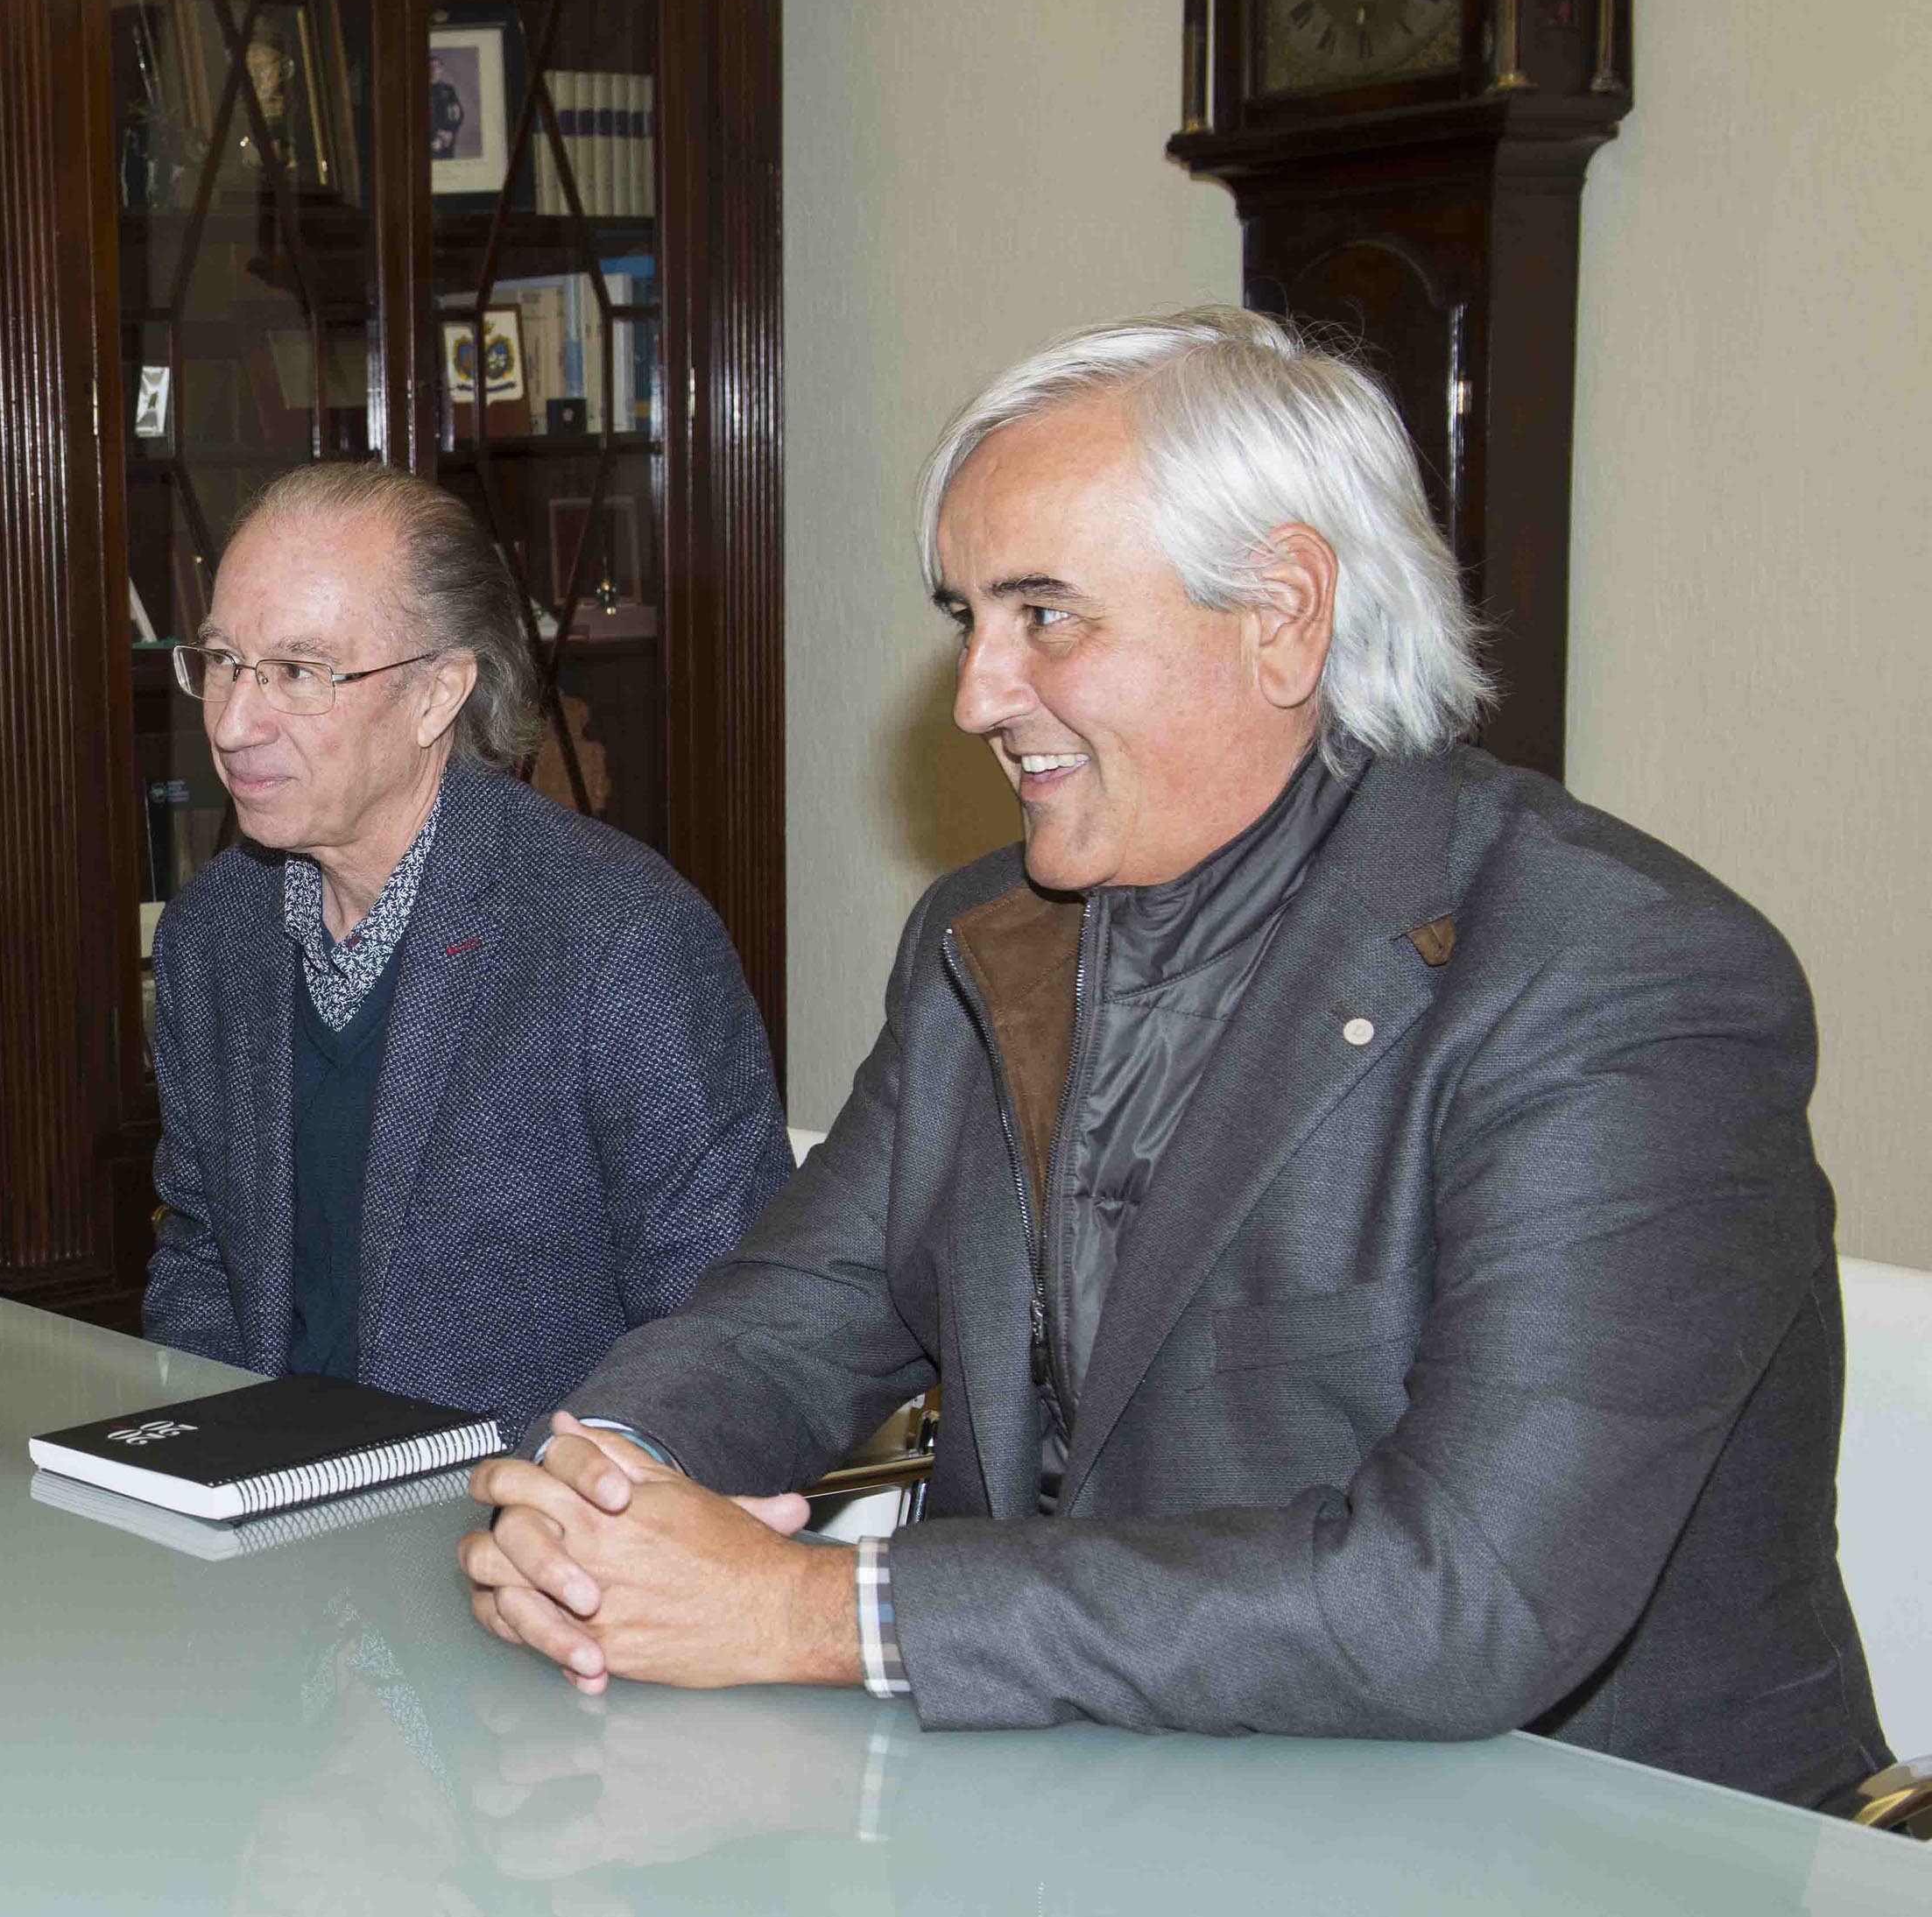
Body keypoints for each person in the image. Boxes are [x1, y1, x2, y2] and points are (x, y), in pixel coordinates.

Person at [460, 307, 1886, 1809]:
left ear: (1281, 615)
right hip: (1101, 1834)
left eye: (1045, 617)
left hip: (1580, 1899)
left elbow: (1461, 1600)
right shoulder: (984, 937)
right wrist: (604, 1486)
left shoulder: (1619, 979)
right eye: (968, 620)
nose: (976, 697)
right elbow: (795, 1312)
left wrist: (820, 1610)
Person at [145, 462, 792, 1450]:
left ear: (438, 693)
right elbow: (201, 1256)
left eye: (300, 672)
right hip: (268, 1525)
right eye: (225, 659)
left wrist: (559, 1520)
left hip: (526, 1541)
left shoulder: (616, 939)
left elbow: (730, 1344)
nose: (234, 722)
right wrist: (198, 1456)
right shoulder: (212, 936)